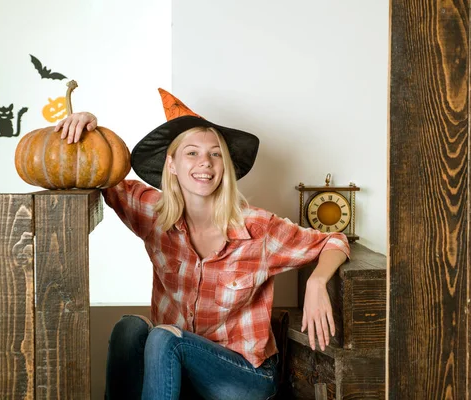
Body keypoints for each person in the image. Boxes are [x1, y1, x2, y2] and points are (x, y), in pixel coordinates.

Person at [55, 89, 350, 400]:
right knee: (129, 329)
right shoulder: (151, 213)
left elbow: (335, 239)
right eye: (192, 153)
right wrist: (87, 129)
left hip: (245, 375)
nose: (205, 163)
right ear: (172, 164)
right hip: (177, 365)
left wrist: (318, 281)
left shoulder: (258, 228)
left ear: (225, 166)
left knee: (164, 339)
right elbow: (99, 173)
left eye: (215, 154)